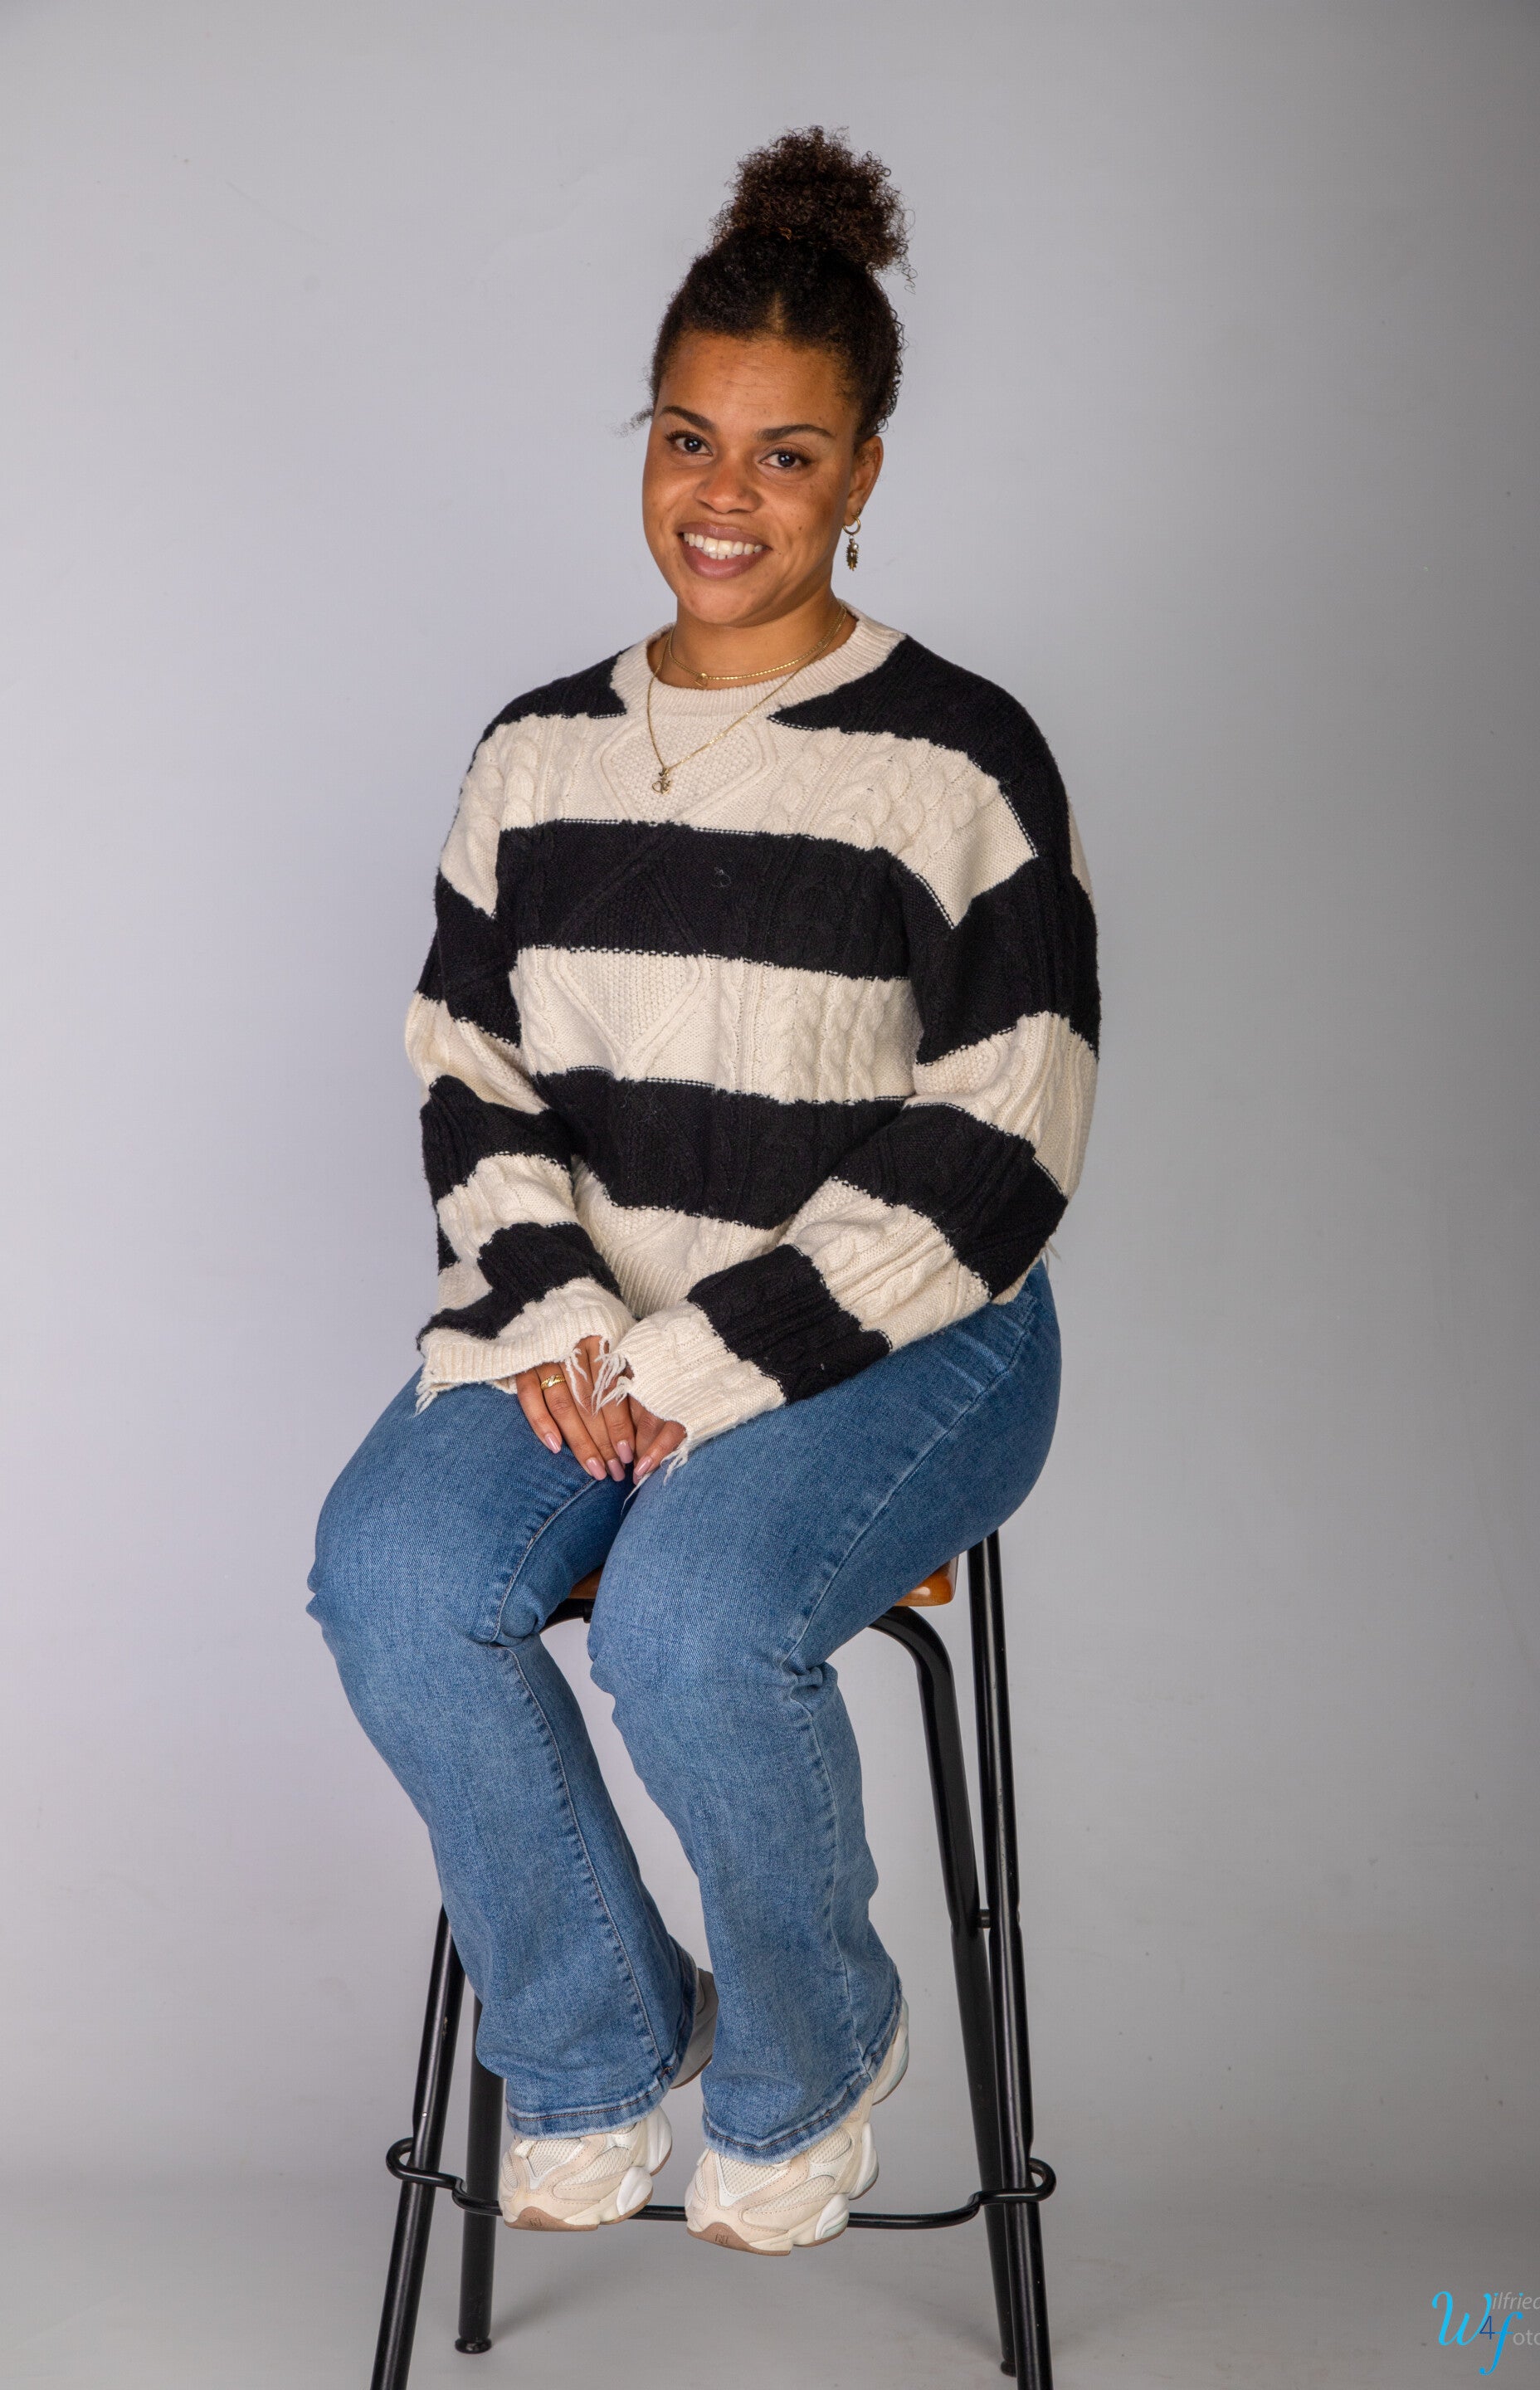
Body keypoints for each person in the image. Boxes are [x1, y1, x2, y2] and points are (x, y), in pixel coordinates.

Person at [308, 126, 1099, 2258]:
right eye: (687, 438)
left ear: (861, 475)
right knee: (390, 1577)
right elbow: (470, 1073)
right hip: (592, 1325)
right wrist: (574, 1326)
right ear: (646, 441)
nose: (723, 496)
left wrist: (702, 1363)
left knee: (687, 1622)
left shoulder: (957, 759)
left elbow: (1008, 1133)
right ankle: (597, 2040)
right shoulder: (535, 755)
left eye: (785, 453)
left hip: (908, 1336)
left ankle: (814, 2047)